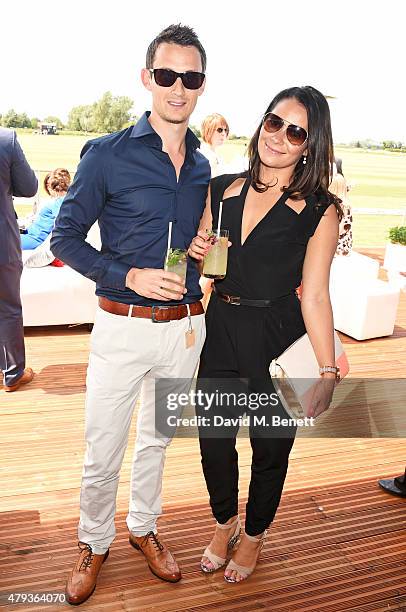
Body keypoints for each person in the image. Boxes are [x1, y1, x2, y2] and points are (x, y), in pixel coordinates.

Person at [51, 24, 209, 605]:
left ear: (200, 87)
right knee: (103, 446)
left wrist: (199, 246)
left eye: (189, 78)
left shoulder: (200, 166)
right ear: (147, 79)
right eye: (166, 75)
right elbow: (64, 240)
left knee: (157, 443)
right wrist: (129, 275)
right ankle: (94, 540)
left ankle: (144, 529)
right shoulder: (107, 155)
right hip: (121, 326)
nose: (177, 88)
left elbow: (197, 239)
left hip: (184, 330)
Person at [188, 86, 342, 583]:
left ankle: (254, 534)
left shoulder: (321, 210)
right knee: (213, 440)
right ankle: (224, 520)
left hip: (279, 334)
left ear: (309, 145)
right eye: (273, 122)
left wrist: (326, 371)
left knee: (271, 448)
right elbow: (208, 261)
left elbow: (315, 295)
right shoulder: (222, 189)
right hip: (223, 327)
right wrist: (196, 250)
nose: (278, 137)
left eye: (295, 131)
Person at [0, 127, 38, 392]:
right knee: (8, 306)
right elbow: (29, 187)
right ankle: (12, 374)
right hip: (2, 241)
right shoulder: (6, 139)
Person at [21, 168, 71, 250]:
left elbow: (61, 223)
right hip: (31, 234)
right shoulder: (61, 200)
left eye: (48, 184)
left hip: (34, 238)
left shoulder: (59, 202)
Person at [330, 158, 352, 256]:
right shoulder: (346, 205)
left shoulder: (337, 206)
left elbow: (338, 231)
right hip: (344, 248)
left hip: (337, 249)